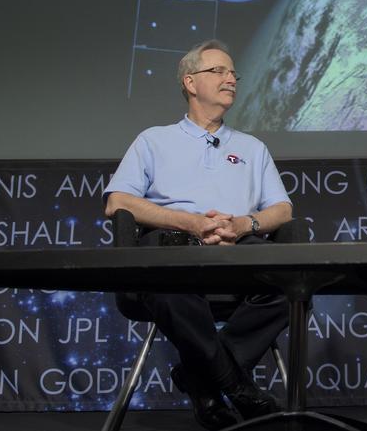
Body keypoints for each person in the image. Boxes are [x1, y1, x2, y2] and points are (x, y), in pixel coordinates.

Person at [103, 40, 306, 430]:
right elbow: (118, 202)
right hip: (173, 243)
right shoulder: (153, 140)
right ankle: (232, 385)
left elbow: (282, 210)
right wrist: (191, 223)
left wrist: (242, 225)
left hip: (236, 247)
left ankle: (200, 380)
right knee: (164, 278)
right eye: (220, 71)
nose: (231, 78)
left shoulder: (253, 147)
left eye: (234, 74)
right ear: (190, 82)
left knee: (293, 285)